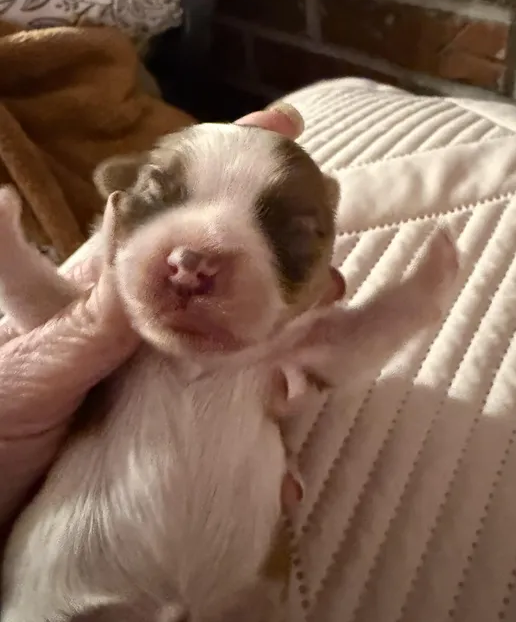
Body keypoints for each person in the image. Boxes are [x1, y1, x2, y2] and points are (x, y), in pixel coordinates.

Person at [0, 104, 314, 539]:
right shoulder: (111, 316)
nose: (191, 263)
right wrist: (10, 257)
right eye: (163, 199)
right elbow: (58, 328)